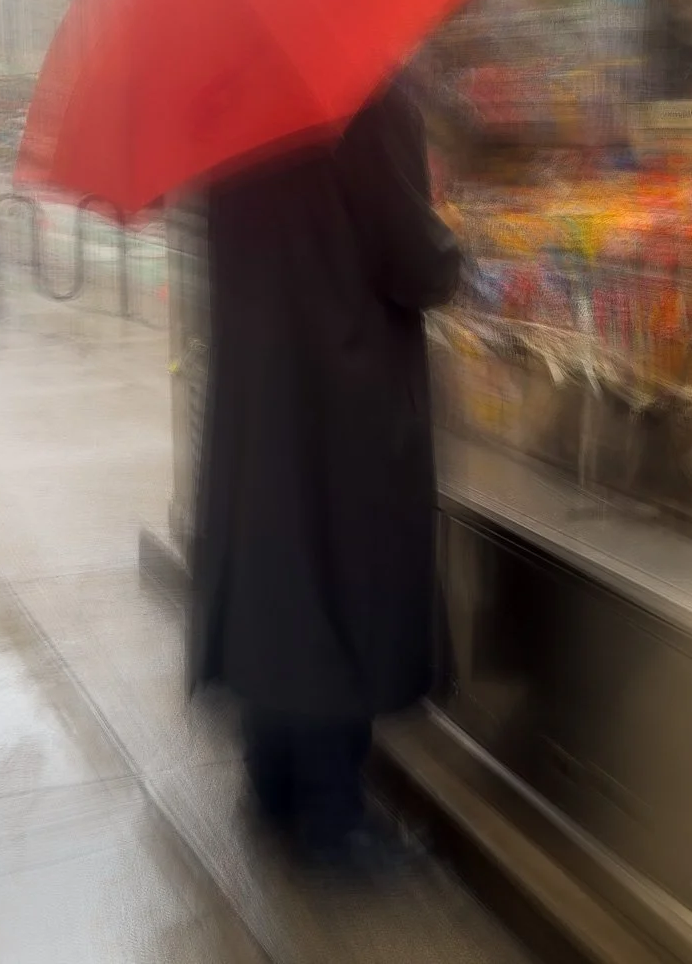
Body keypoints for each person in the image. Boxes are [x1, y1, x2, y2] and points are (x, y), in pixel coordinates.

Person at [189, 76, 461, 871]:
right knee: (342, 586)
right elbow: (414, 260)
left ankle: (272, 782)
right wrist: (452, 249)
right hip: (343, 395)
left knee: (279, 575)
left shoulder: (225, 102)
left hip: (259, 386)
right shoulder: (366, 93)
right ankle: (334, 820)